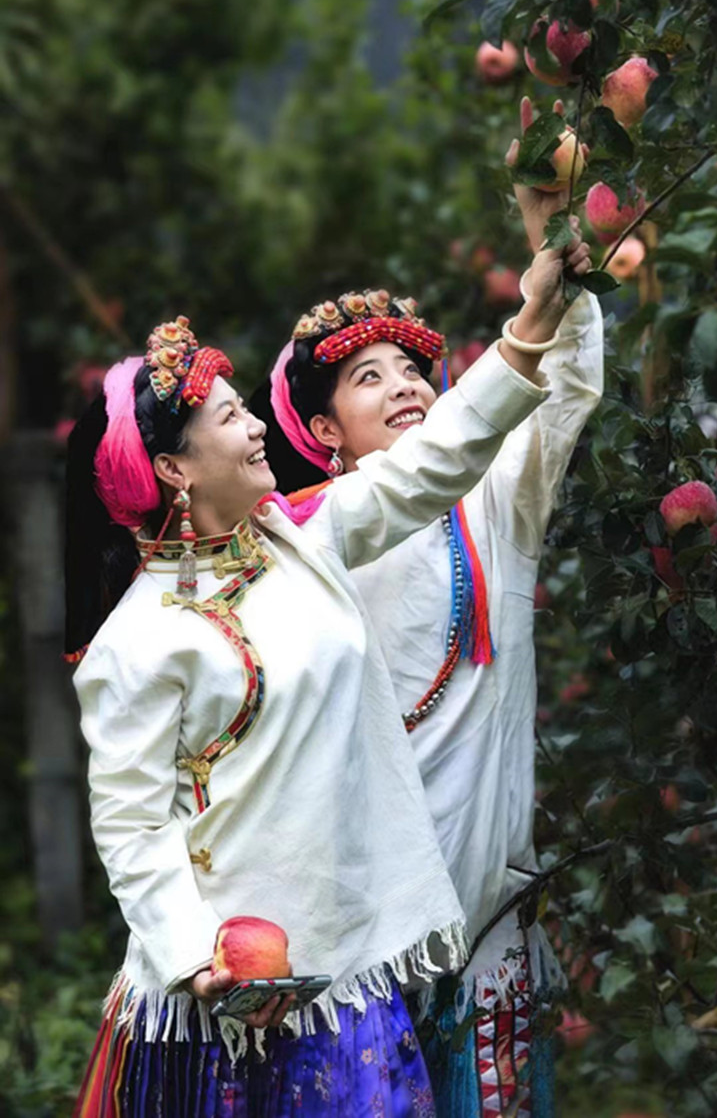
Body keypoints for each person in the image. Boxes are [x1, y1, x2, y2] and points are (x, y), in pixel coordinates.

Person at [66, 246, 573, 1118]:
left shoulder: (302, 537)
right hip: (219, 998)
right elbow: (131, 822)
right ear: (177, 470)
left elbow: (436, 460)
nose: (258, 427)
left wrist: (531, 327)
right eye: (232, 417)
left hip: (347, 972)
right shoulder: (136, 640)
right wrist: (197, 957)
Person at [252, 99, 605, 1117]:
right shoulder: (299, 541)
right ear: (324, 430)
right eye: (370, 378)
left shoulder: (494, 502)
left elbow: (563, 390)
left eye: (414, 368)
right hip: (359, 935)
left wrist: (550, 231)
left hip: (487, 923)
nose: (405, 385)